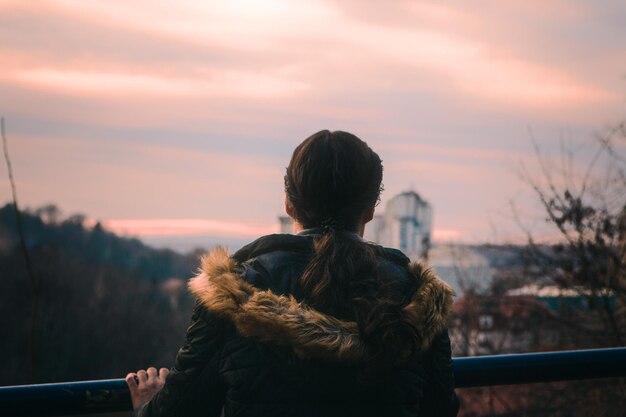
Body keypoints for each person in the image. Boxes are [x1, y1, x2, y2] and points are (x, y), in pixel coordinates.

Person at [126, 130, 459, 417]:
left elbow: (181, 411)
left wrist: (148, 403)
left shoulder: (234, 293)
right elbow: (440, 409)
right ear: (372, 209)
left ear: (288, 204)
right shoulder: (416, 297)